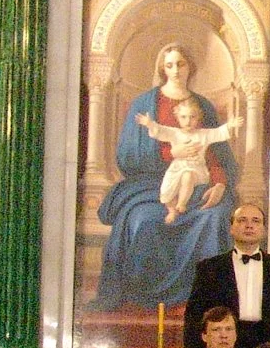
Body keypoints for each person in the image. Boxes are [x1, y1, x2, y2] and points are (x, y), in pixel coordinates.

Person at [94, 43, 246, 313]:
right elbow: (128, 154)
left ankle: (205, 300)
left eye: (181, 64)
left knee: (215, 217)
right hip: (152, 186)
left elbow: (217, 152)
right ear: (162, 69)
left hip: (200, 184)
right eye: (169, 65)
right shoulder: (145, 104)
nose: (176, 70)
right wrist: (171, 152)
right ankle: (143, 298)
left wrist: (220, 183)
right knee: (143, 221)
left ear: (190, 67)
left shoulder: (203, 106)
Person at [183, 200, 270, 348]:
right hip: (224, 347)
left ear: (263, 229)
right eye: (242, 220)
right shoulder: (210, 268)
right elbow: (195, 317)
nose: (249, 226)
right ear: (231, 228)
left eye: (255, 221)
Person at [136, 93, 244, 224]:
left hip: (196, 169)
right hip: (177, 167)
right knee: (166, 190)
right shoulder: (174, 133)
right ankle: (171, 210)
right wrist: (149, 124)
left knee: (188, 175)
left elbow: (218, 133)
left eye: (192, 117)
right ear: (177, 118)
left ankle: (181, 204)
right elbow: (160, 131)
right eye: (184, 117)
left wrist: (230, 125)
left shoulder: (203, 134)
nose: (188, 121)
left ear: (198, 118)